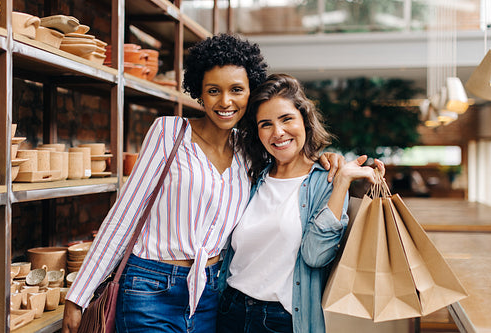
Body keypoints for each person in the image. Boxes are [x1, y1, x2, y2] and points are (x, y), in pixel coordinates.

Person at [62, 34, 343, 333]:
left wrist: (328, 159)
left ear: (250, 94)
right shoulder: (169, 133)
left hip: (209, 295)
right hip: (149, 288)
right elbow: (124, 217)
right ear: (199, 93)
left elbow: (288, 151)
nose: (225, 101)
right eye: (213, 91)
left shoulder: (249, 153)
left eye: (236, 90)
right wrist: (77, 297)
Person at [216, 74, 385, 333]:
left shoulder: (325, 181)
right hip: (229, 308)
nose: (278, 132)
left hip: (279, 319)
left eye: (286, 119)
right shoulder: (250, 175)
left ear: (305, 121)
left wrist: (341, 184)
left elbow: (316, 256)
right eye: (266, 124)